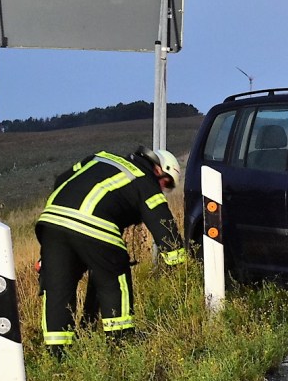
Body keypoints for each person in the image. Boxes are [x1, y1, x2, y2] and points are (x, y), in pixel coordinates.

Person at [35, 146, 186, 349]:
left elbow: (61, 180)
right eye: (166, 183)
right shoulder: (143, 177)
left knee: (57, 289)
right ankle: (121, 341)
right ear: (158, 169)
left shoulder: (98, 158)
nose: (163, 189)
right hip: (93, 224)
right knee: (114, 278)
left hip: (51, 223)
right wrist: (179, 263)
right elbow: (161, 221)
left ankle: (57, 354)